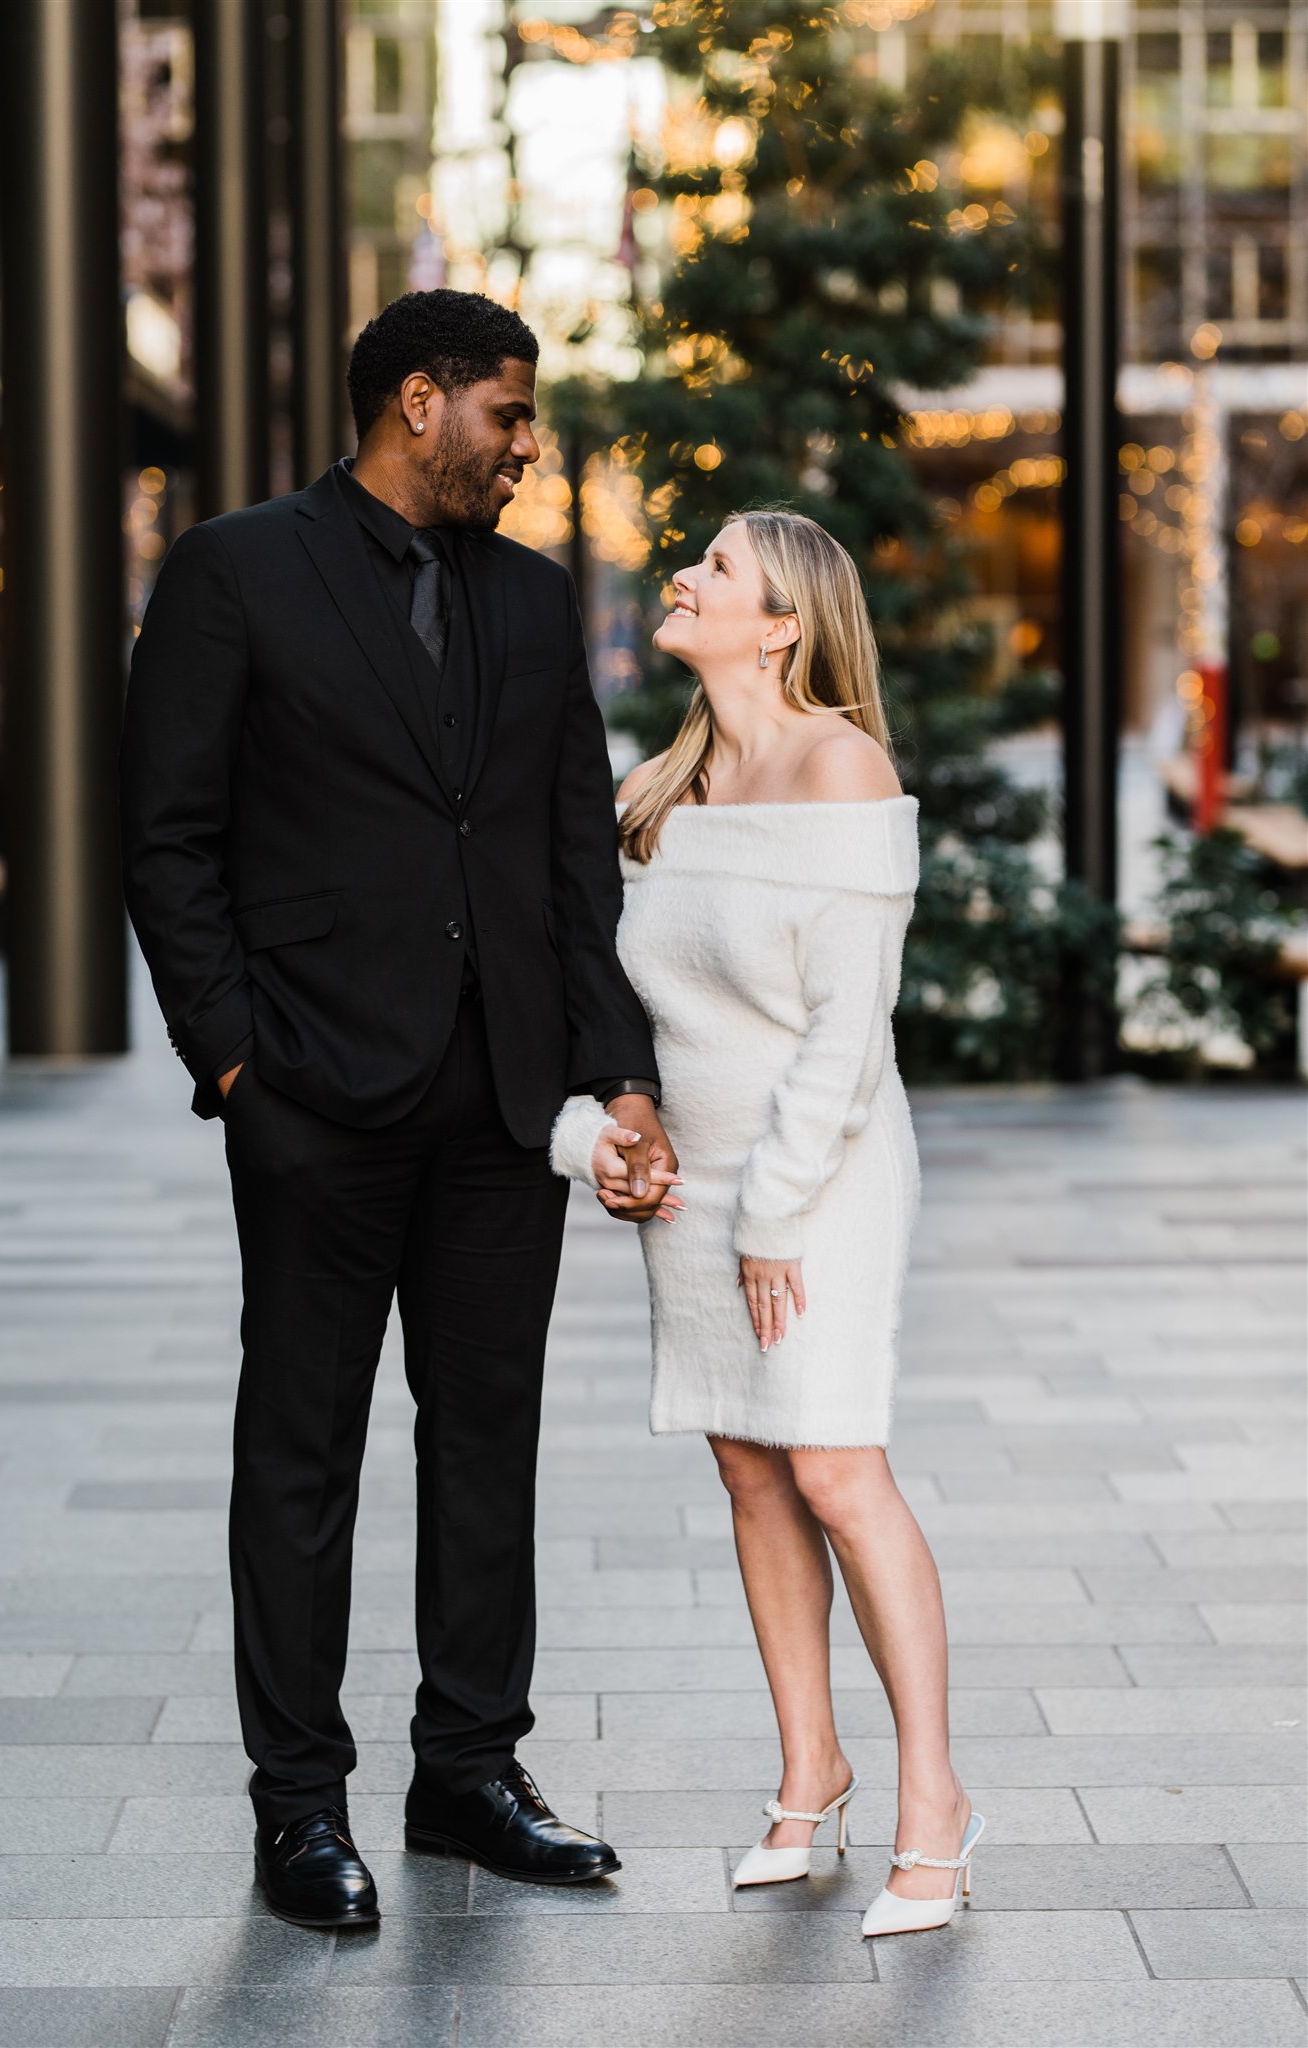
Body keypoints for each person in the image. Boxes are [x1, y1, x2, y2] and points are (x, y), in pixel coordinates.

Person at [119, 289, 676, 1927]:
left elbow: (575, 850)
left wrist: (616, 1068)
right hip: (314, 1093)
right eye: (507, 415)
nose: (526, 448)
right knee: (301, 1453)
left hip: (506, 1100)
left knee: (485, 1440)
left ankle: (468, 1775)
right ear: (418, 402)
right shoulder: (238, 570)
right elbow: (169, 838)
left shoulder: (529, 596)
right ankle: (300, 1806)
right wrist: (232, 1058)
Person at [550, 508, 984, 1939]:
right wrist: (613, 1138)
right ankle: (812, 1772)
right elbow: (606, 1013)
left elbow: (847, 1037)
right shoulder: (658, 788)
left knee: (839, 1470)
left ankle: (935, 1802)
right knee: (749, 1469)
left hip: (826, 1170)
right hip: (701, 1172)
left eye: (717, 567)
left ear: (784, 621)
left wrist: (775, 1211)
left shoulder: (840, 765)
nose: (685, 576)